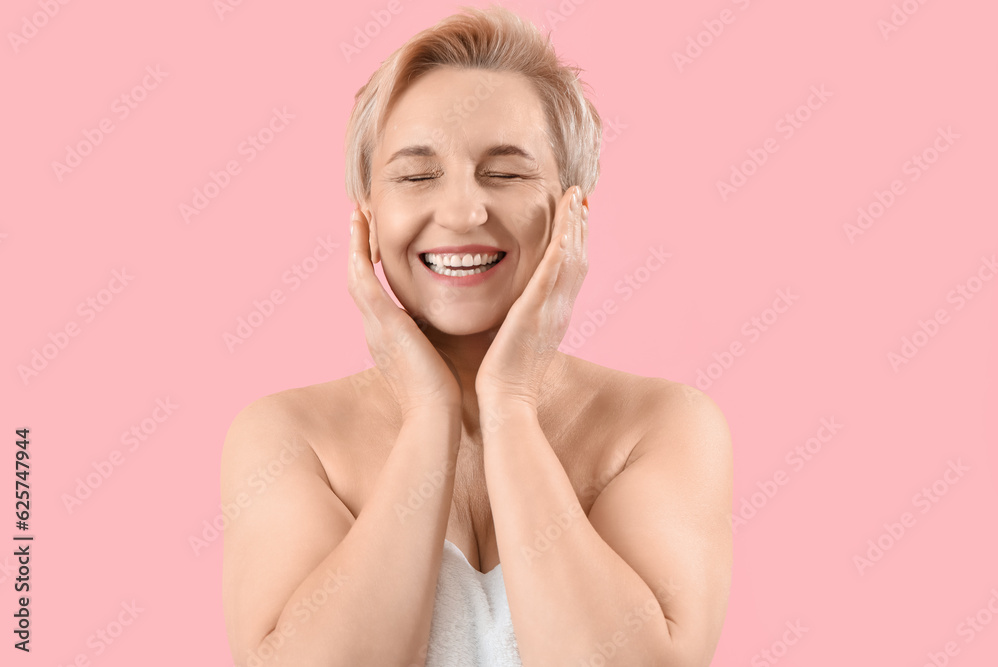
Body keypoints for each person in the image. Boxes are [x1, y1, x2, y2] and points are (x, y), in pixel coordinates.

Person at [222, 5, 732, 666]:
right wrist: (430, 414)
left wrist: (511, 399)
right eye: (416, 174)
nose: (463, 210)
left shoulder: (666, 425)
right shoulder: (287, 434)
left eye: (507, 172)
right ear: (369, 214)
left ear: (573, 206)